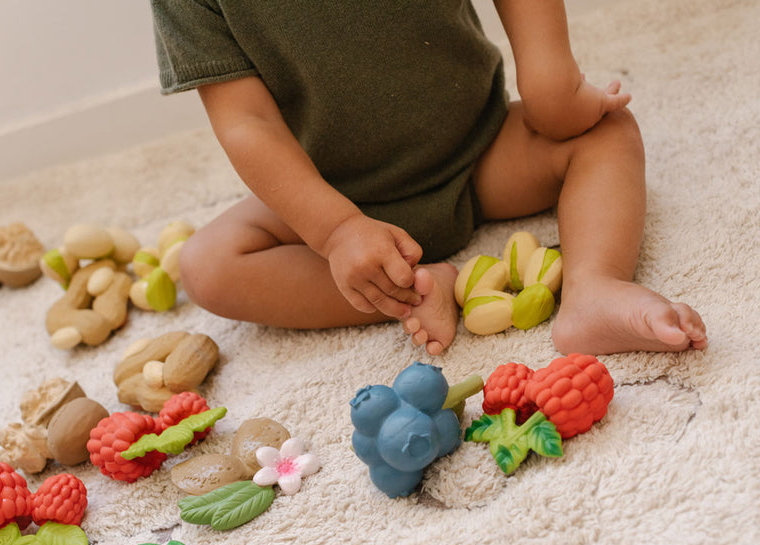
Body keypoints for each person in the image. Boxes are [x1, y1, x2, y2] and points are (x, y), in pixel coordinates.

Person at [151, 0, 707, 356]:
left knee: (605, 131)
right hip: (335, 192)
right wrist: (337, 229)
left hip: (480, 148)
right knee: (209, 267)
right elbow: (247, 124)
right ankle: (417, 286)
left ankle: (594, 288)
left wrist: (550, 82)